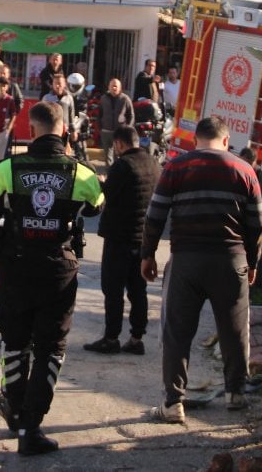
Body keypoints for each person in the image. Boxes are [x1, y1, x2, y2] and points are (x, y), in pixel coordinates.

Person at [0, 101, 104, 456]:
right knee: (50, 347)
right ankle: (31, 427)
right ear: (63, 130)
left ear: (31, 130)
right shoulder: (81, 174)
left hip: (15, 267)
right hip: (58, 271)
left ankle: (14, 410)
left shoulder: (6, 169)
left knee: (15, 341)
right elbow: (97, 205)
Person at [140, 116, 262, 423]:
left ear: (197, 139)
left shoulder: (177, 167)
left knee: (177, 333)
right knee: (234, 330)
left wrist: (148, 255)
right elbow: (258, 224)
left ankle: (173, 403)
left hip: (187, 261)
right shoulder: (244, 170)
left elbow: (155, 215)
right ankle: (236, 394)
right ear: (226, 140)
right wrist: (253, 261)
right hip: (230, 261)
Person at [83, 124, 160, 356]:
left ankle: (111, 337)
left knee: (113, 290)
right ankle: (136, 338)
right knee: (138, 290)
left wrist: (100, 181)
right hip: (142, 239)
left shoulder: (122, 165)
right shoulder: (154, 164)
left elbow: (109, 194)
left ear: (119, 144)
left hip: (119, 238)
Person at [98, 78, 134, 167]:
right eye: (112, 86)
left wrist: (128, 128)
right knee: (107, 157)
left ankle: (118, 175)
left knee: (118, 156)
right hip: (106, 132)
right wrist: (100, 127)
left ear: (120, 88)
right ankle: (109, 175)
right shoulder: (103, 99)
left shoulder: (125, 99)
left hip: (119, 133)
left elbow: (131, 115)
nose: (114, 88)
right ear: (109, 87)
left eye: (116, 86)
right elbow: (99, 114)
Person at [40, 73, 76, 156]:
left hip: (65, 131)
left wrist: (73, 131)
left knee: (65, 153)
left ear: (64, 84)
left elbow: (71, 115)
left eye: (59, 83)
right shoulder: (47, 98)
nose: (57, 86)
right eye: (55, 83)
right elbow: (42, 115)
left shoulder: (68, 98)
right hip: (50, 131)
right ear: (52, 84)